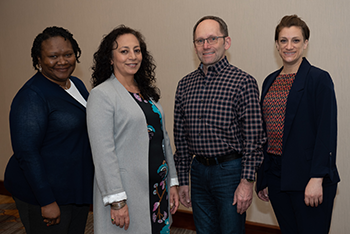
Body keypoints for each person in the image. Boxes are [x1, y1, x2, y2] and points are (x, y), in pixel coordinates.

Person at [174, 15, 265, 234]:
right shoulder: (185, 85)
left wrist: (247, 182)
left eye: (212, 39)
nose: (206, 46)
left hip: (230, 173)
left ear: (226, 42)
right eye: (199, 40)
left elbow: (254, 139)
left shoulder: (243, 82)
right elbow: (181, 138)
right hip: (197, 171)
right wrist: (183, 179)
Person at [87, 25, 179, 234]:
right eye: (124, 51)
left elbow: (163, 139)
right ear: (110, 58)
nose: (133, 56)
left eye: (137, 50)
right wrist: (117, 200)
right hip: (128, 192)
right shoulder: (102, 95)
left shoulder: (146, 93)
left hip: (157, 190)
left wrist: (172, 181)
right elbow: (103, 153)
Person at [4, 26, 94, 234]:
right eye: (53, 56)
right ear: (38, 60)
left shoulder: (76, 84)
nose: (62, 61)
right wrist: (47, 201)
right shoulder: (32, 96)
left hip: (73, 187)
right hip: (44, 193)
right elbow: (26, 153)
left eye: (68, 54)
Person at [256, 15, 340, 234]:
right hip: (276, 176)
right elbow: (264, 132)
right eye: (283, 40)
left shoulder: (318, 79)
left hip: (308, 178)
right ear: (276, 44)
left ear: (305, 43)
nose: (289, 46)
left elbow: (326, 131)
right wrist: (263, 176)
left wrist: (317, 177)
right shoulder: (269, 81)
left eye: (295, 40)